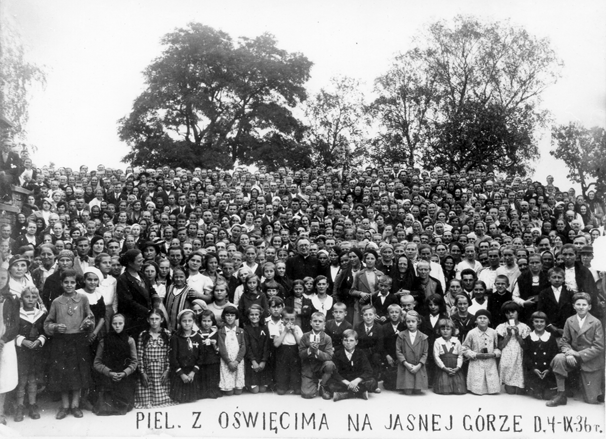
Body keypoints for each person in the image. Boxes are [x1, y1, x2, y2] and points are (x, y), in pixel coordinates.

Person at [44, 268, 95, 419]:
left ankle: (75, 405)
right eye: (66, 282)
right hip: (61, 341)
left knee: (77, 374)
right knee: (63, 373)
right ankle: (65, 406)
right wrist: (55, 327)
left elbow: (90, 318)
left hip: (78, 340)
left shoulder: (83, 299)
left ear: (76, 283)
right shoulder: (56, 302)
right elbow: (47, 324)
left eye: (72, 282)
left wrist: (87, 323)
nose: (69, 285)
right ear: (61, 283)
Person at [546, 292, 604, 406]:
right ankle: (561, 395)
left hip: (589, 360)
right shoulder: (570, 320)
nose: (581, 307)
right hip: (573, 357)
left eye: (584, 304)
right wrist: (568, 353)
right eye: (578, 304)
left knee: (592, 400)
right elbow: (564, 341)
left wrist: (577, 354)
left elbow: (599, 347)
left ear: (589, 307)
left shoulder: (596, 322)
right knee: (559, 358)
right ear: (574, 306)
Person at [92, 314, 137, 416]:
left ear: (124, 324)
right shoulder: (104, 341)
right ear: (111, 324)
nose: (117, 326)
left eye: (120, 323)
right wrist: (109, 372)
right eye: (114, 323)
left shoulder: (130, 340)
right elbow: (96, 363)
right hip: (109, 377)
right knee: (105, 407)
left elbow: (134, 362)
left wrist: (125, 373)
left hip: (124, 378)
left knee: (125, 406)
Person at [14, 286, 46, 422]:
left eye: (34, 297)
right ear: (22, 299)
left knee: (33, 379)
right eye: (27, 297)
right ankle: (20, 406)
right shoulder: (17, 314)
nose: (31, 300)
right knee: (22, 380)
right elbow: (12, 331)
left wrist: (39, 340)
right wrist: (22, 341)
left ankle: (32, 405)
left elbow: (45, 332)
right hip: (22, 351)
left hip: (36, 351)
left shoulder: (41, 314)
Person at [134, 309, 174, 409]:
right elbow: (139, 355)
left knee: (162, 391)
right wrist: (142, 372)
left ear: (162, 320)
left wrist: (167, 370)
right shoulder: (143, 335)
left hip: (161, 369)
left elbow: (169, 354)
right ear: (148, 320)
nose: (154, 321)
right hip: (148, 369)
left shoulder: (167, 334)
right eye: (151, 319)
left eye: (157, 319)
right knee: (145, 393)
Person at [117, 249, 161, 336]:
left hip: (147, 317)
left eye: (142, 261)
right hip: (134, 321)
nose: (142, 264)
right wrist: (148, 311)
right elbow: (128, 302)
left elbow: (151, 290)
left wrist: (156, 303)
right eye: (139, 261)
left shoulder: (141, 274)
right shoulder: (123, 279)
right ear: (130, 263)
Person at [327, 329, 377, 401]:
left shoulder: (361, 353)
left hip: (357, 381)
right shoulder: (337, 354)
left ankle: (344, 394)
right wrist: (347, 383)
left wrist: (356, 381)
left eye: (351, 340)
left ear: (356, 342)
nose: (348, 343)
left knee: (372, 382)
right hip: (344, 381)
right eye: (345, 340)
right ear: (342, 342)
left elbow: (368, 371)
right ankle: (359, 393)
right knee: (331, 384)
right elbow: (335, 373)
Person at [462, 309, 501, 395]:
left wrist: (494, 354)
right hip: (476, 361)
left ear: (489, 321)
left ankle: (491, 390)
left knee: (491, 376)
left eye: (485, 318)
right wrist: (475, 354)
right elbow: (464, 348)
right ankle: (476, 389)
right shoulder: (471, 333)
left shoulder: (493, 332)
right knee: (477, 377)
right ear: (476, 320)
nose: (482, 320)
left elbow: (497, 347)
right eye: (480, 318)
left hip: (490, 361)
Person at [298, 311, 335, 399]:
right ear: (311, 322)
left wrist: (317, 351)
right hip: (309, 366)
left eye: (320, 321)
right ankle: (313, 383)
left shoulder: (327, 338)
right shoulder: (305, 336)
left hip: (321, 366)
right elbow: (301, 354)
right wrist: (310, 349)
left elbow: (329, 356)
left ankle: (323, 385)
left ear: (324, 324)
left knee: (330, 364)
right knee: (307, 394)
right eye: (315, 321)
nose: (317, 323)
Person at [496, 301, 530, 394]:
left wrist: (518, 335)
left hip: (519, 354)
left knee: (519, 390)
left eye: (513, 312)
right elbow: (500, 346)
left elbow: (525, 346)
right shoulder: (501, 327)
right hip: (507, 354)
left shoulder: (524, 327)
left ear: (518, 312)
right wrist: (509, 335)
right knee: (510, 391)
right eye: (507, 313)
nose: (510, 315)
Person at [169, 309, 203, 403]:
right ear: (180, 322)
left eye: (190, 321)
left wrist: (193, 372)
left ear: (193, 322)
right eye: (184, 321)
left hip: (193, 373)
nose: (187, 323)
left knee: (194, 400)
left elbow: (201, 356)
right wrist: (182, 374)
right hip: (180, 373)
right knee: (180, 400)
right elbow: (173, 358)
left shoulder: (197, 337)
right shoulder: (175, 338)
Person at [523, 311, 559, 401]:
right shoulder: (529, 338)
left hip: (548, 371)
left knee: (548, 396)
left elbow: (554, 355)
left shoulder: (550, 338)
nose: (539, 324)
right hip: (534, 372)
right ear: (532, 323)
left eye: (542, 322)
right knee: (537, 395)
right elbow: (526, 356)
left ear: (546, 323)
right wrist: (533, 369)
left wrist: (549, 369)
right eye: (536, 321)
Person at [396, 310, 429, 395]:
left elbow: (425, 353)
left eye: (413, 321)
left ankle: (417, 386)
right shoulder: (401, 336)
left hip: (418, 366)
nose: (410, 324)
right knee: (408, 392)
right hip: (406, 366)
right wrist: (405, 363)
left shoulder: (423, 337)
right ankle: (407, 386)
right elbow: (398, 351)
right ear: (405, 322)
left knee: (418, 391)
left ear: (418, 322)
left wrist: (419, 365)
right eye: (408, 321)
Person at [273, 307, 303, 395]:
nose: (289, 322)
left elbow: (300, 343)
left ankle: (295, 386)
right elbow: (276, 344)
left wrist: (294, 332)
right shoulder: (278, 327)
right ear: (282, 319)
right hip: (282, 351)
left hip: (294, 351)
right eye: (286, 319)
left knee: (295, 369)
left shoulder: (297, 328)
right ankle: (282, 386)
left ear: (295, 319)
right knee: (282, 370)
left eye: (292, 319)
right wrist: (285, 331)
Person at [432, 318, 466, 395]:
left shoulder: (456, 341)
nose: (445, 331)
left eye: (448, 329)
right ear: (439, 330)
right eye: (443, 329)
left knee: (459, 390)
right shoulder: (438, 341)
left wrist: (458, 367)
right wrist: (444, 368)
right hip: (443, 368)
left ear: (452, 330)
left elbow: (460, 355)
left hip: (455, 368)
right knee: (444, 391)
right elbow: (436, 356)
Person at [217, 306, 246, 396]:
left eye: (232, 315)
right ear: (224, 317)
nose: (230, 317)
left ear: (236, 317)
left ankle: (238, 385)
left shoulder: (240, 331)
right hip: (227, 361)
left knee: (238, 392)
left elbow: (243, 347)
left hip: (238, 361)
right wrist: (229, 362)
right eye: (227, 315)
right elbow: (222, 348)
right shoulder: (221, 331)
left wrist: (237, 361)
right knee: (229, 392)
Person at [537, 267, 574, 337]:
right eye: (554, 277)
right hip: (550, 328)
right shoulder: (543, 293)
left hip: (567, 327)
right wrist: (550, 326)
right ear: (549, 279)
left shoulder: (569, 293)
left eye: (559, 277)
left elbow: (573, 311)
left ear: (563, 279)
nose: (557, 280)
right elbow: (541, 312)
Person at [354, 305, 384, 390]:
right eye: (365, 315)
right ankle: (359, 382)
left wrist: (369, 351)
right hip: (360, 351)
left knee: (376, 357)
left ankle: (374, 385)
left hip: (373, 353)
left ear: (375, 315)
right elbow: (355, 341)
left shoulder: (379, 327)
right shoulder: (358, 326)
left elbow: (380, 345)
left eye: (370, 314)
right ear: (362, 316)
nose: (368, 317)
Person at [243, 304, 271, 393]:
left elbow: (267, 346)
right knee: (255, 390)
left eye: (256, 314)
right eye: (251, 314)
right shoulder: (246, 329)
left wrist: (263, 361)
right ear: (248, 316)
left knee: (262, 390)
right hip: (252, 361)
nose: (254, 317)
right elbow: (247, 346)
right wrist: (253, 361)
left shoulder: (265, 328)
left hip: (262, 360)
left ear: (260, 316)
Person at [382, 303, 406, 391]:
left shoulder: (404, 326)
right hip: (389, 355)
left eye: (397, 312)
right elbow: (381, 344)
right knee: (389, 385)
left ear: (400, 314)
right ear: (388, 315)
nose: (394, 314)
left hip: (402, 355)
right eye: (392, 312)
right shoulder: (384, 327)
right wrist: (387, 355)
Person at [198, 310, 221, 399]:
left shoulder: (216, 333)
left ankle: (213, 392)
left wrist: (214, 344)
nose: (206, 324)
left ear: (212, 322)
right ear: (200, 321)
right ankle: (203, 392)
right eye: (204, 321)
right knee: (203, 376)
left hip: (213, 359)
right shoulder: (197, 333)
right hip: (201, 359)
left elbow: (219, 349)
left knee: (212, 375)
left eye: (209, 321)